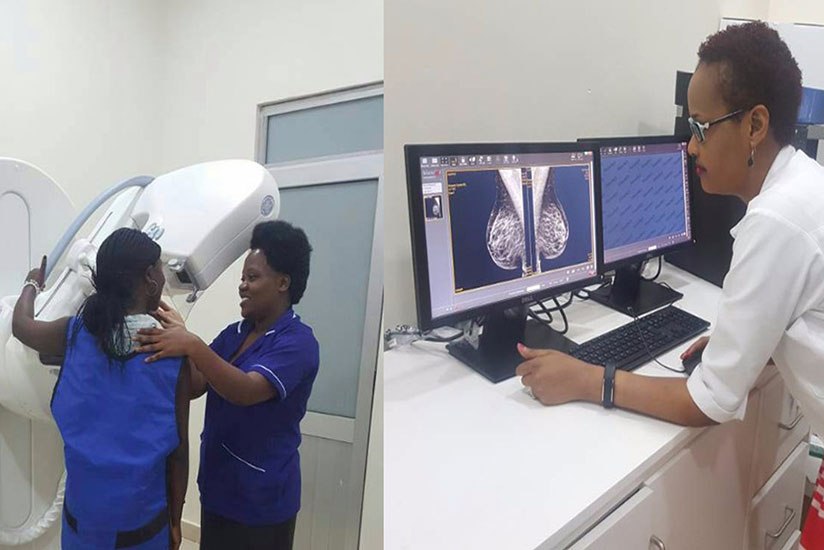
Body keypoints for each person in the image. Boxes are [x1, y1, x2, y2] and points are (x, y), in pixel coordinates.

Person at [515, 21, 824, 545]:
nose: (689, 147)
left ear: (754, 126)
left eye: (701, 127)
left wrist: (589, 380)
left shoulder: (774, 222)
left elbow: (711, 403)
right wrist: (752, 345)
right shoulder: (806, 182)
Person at [135, 220, 319, 550]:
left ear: (283, 283)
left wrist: (192, 344)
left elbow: (245, 390)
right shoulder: (235, 334)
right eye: (242, 278)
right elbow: (195, 385)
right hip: (219, 490)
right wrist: (172, 344)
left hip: (262, 503)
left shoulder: (298, 343)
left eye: (253, 277)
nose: (242, 286)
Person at [12, 228, 190, 549]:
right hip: (144, 534)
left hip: (81, 529)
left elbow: (22, 326)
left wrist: (31, 285)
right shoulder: (173, 356)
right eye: (160, 269)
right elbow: (178, 457)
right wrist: (176, 523)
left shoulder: (73, 334)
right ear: (150, 278)